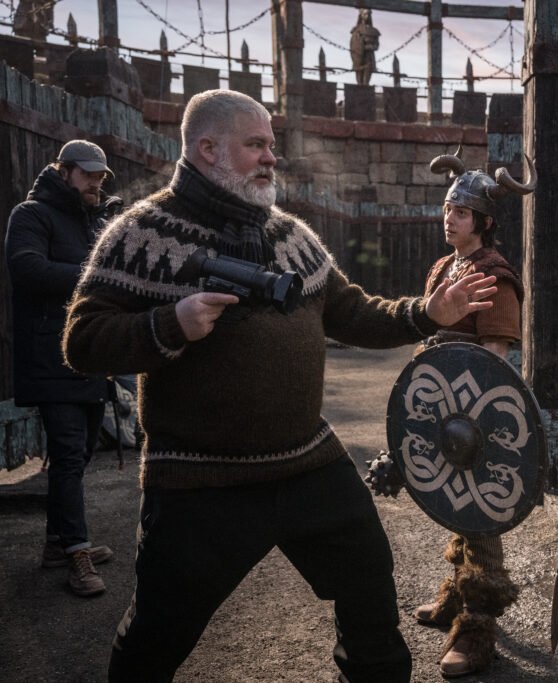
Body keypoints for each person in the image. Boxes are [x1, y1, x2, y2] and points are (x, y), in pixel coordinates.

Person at [61, 89, 498, 683]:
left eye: (272, 145)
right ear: (207, 148)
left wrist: (427, 313)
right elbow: (82, 340)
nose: (272, 157)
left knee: (368, 582)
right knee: (156, 635)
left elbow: (352, 311)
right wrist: (169, 324)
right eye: (256, 144)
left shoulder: (291, 236)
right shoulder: (140, 235)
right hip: (198, 478)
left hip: (306, 463)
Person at [411, 151, 535, 678]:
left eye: (459, 212)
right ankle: (455, 597)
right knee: (454, 503)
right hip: (442, 410)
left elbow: (494, 362)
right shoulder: (445, 267)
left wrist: (468, 422)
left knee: (480, 513)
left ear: (483, 222)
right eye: (446, 209)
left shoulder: (495, 275)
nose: (449, 218)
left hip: (477, 418)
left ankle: (478, 628)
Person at [5, 139, 123, 597]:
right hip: (50, 355)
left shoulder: (92, 220)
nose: (97, 182)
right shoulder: (30, 215)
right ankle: (76, 552)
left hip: (88, 353)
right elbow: (28, 269)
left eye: (100, 176)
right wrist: (95, 277)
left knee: (81, 452)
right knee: (70, 455)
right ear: (64, 171)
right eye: (89, 174)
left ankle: (58, 544)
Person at [349, 8, 380, 86]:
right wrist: (362, 47)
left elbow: (376, 45)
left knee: (366, 80)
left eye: (368, 14)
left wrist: (371, 47)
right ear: (361, 15)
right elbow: (354, 44)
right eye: (365, 14)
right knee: (359, 79)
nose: (367, 16)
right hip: (359, 57)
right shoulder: (356, 30)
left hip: (369, 57)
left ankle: (365, 87)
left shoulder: (373, 31)